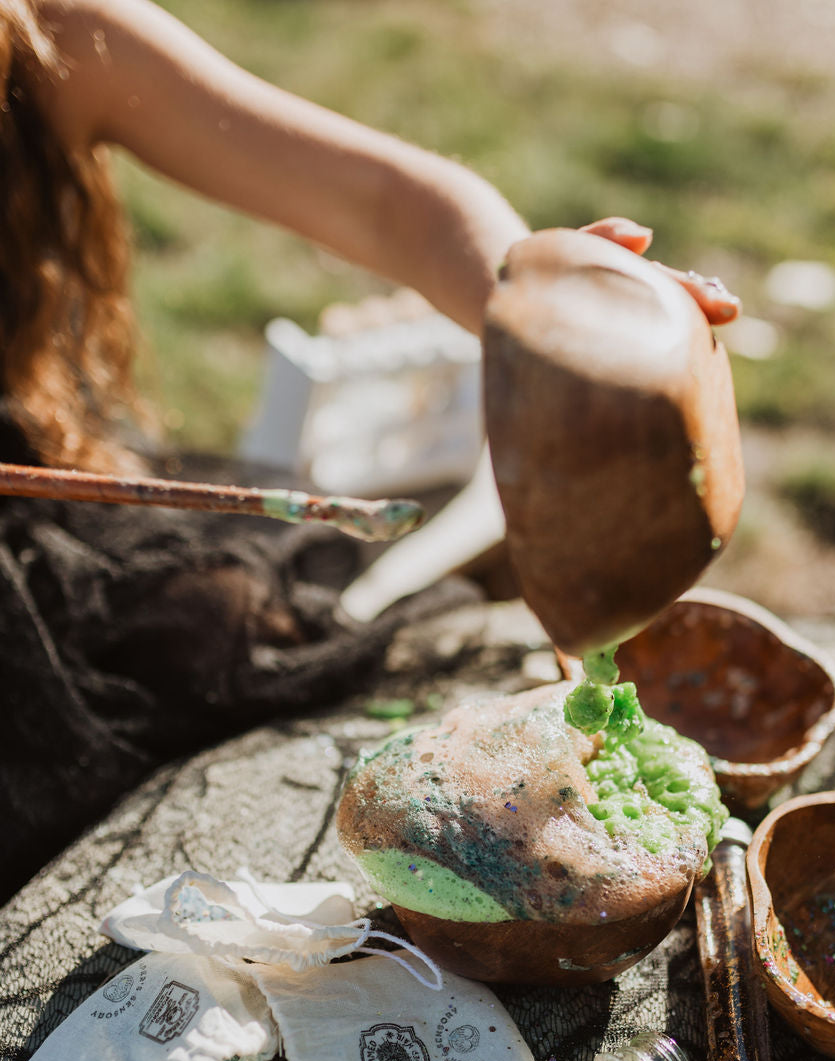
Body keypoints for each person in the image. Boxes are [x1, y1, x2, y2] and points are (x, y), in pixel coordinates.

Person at [0, 0, 740, 901]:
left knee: (244, 622)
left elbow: (390, 203)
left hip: (48, 502)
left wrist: (543, 309)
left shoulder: (50, 36)